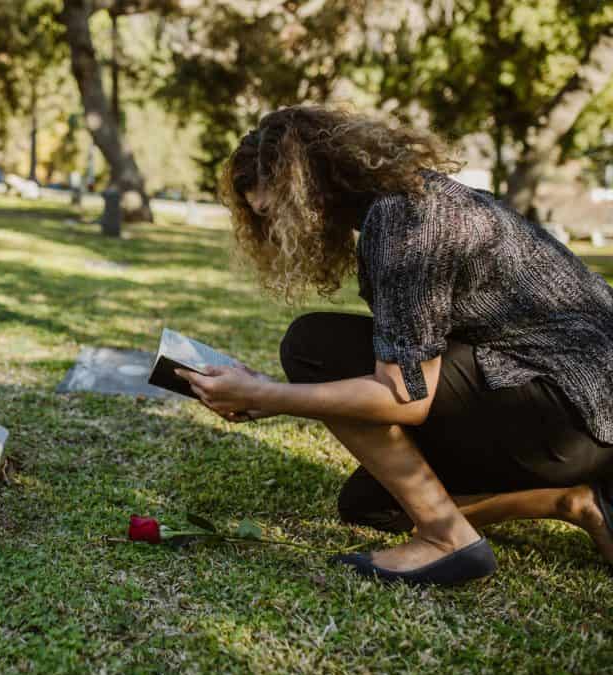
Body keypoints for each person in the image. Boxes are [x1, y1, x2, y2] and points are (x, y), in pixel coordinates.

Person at [175, 106, 613, 586]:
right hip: (577, 425)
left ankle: (446, 537)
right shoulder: (410, 200)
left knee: (313, 347)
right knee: (373, 505)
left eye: (273, 210)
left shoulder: (404, 221)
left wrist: (266, 396)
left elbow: (407, 395)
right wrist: (265, 392)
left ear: (307, 185)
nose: (276, 229)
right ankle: (575, 502)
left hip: (574, 415)